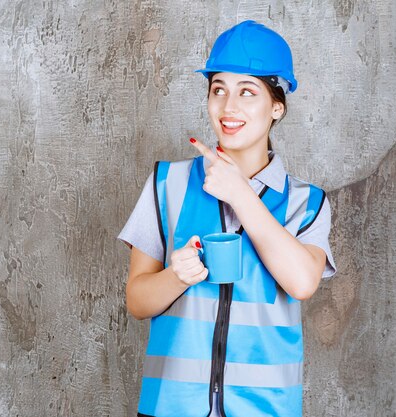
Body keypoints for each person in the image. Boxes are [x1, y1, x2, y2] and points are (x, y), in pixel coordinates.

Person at [118, 20, 337, 417]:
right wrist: (176, 276)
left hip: (265, 410)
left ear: (277, 106)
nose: (228, 107)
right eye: (218, 89)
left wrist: (239, 192)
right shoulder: (167, 183)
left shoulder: (307, 203)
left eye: (247, 92)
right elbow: (137, 300)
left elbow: (303, 282)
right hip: (170, 408)